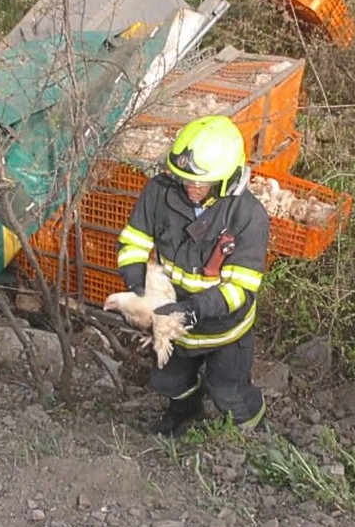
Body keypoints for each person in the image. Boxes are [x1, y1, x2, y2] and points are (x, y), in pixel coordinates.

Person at [116, 115, 271, 437]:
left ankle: (252, 433)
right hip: (173, 327)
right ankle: (185, 414)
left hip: (223, 330)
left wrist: (190, 311)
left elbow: (240, 290)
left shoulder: (248, 216)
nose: (191, 187)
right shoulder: (159, 193)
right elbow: (134, 242)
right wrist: (139, 289)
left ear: (227, 178)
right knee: (170, 382)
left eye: (201, 182)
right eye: (184, 178)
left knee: (229, 392)